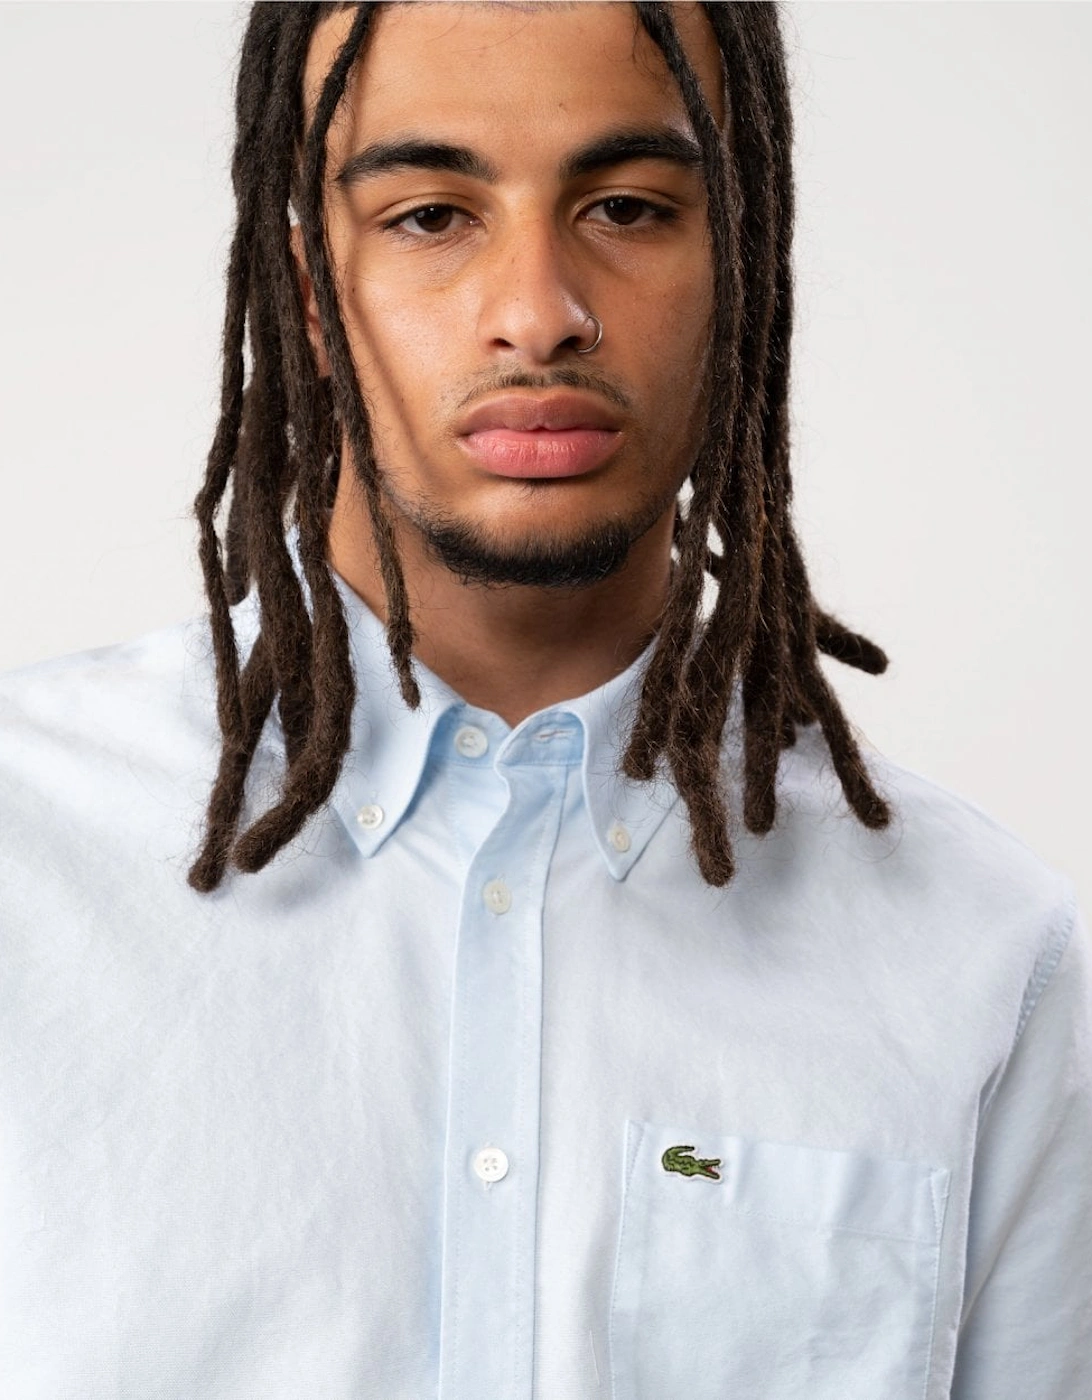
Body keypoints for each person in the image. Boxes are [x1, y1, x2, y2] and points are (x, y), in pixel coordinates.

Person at [0, 3, 1087, 1397]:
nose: (538, 313)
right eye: (431, 215)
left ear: (740, 265)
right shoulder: (24, 859)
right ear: (310, 289)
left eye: (627, 208)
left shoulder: (983, 960)